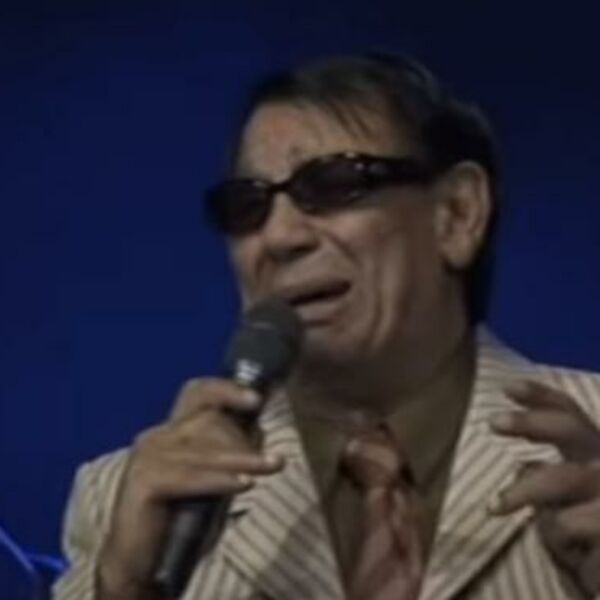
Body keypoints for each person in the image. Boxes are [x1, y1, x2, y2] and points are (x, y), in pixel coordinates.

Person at [53, 54, 600, 600]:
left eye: (336, 183)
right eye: (247, 205)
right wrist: (124, 589)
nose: (279, 237)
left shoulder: (590, 439)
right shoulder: (127, 502)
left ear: (457, 214)